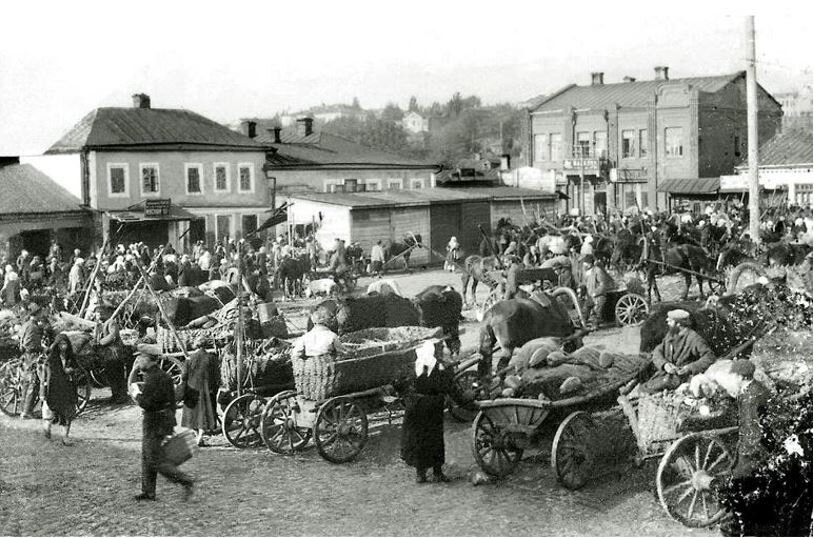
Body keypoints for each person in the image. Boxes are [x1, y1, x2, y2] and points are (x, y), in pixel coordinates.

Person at [130, 351, 194, 501]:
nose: (138, 362)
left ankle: (185, 480)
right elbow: (172, 401)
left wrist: (136, 394)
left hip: (155, 422)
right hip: (162, 419)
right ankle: (148, 491)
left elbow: (148, 404)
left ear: (149, 360)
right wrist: (170, 420)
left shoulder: (153, 378)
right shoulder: (163, 376)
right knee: (147, 455)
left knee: (154, 459)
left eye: (141, 358)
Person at [401, 340, 453, 484]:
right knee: (435, 439)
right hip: (432, 407)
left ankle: (420, 474)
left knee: (419, 440)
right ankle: (437, 473)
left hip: (415, 407)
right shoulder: (438, 367)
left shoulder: (414, 366)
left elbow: (402, 385)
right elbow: (447, 386)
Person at [640, 309, 715, 394]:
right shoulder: (671, 334)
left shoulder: (694, 338)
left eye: (670, 320)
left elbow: (710, 357)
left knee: (648, 389)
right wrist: (664, 364)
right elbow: (658, 350)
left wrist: (689, 368)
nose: (667, 322)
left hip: (682, 377)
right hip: (666, 374)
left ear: (678, 324)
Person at [180, 336, 220, 447]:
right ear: (206, 345)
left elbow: (184, 376)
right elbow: (216, 376)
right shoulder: (211, 358)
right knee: (204, 413)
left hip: (192, 389)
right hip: (206, 389)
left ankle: (198, 435)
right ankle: (200, 437)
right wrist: (214, 387)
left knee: (193, 413)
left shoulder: (190, 359)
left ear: (196, 346)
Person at [40, 333, 79, 444]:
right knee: (50, 412)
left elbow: (76, 368)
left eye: (65, 343)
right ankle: (47, 427)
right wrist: (43, 392)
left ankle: (65, 437)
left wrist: (71, 370)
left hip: (67, 388)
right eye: (61, 344)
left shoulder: (71, 357)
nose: (63, 346)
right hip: (54, 388)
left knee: (68, 413)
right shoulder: (51, 359)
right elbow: (46, 376)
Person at [19, 303, 49, 419]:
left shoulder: (26, 324)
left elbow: (22, 341)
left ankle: (24, 410)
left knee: (26, 383)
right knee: (33, 383)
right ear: (37, 314)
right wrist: (43, 349)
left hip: (26, 356)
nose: (42, 314)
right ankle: (27, 412)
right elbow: (31, 345)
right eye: (40, 312)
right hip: (32, 356)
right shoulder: (33, 327)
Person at [94, 304, 128, 404]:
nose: (99, 315)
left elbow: (113, 336)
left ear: (106, 313)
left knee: (117, 374)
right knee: (110, 375)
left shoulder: (111, 323)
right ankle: (115, 394)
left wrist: (100, 342)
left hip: (114, 353)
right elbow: (96, 337)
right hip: (106, 355)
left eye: (100, 313)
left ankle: (122, 395)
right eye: (97, 313)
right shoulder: (98, 325)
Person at [580, 254, 611, 329]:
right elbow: (584, 283)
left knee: (596, 311)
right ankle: (582, 323)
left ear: (590, 264)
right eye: (584, 264)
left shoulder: (598, 271)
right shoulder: (585, 272)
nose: (585, 265)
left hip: (598, 295)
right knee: (585, 310)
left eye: (586, 264)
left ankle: (595, 324)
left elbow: (602, 285)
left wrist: (595, 293)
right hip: (589, 295)